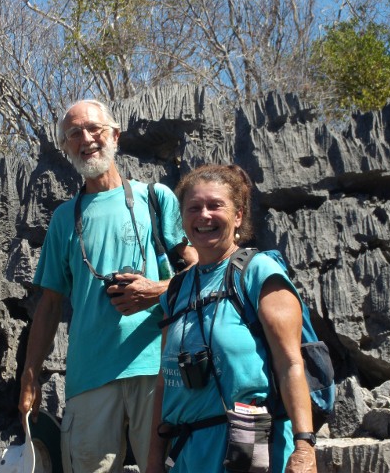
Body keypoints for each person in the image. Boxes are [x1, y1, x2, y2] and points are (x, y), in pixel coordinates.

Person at [18, 99, 197, 473]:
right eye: (74, 134)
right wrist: (30, 376)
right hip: (89, 378)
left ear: (115, 135)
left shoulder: (155, 198)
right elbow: (49, 307)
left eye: (94, 129)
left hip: (157, 370)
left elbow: (201, 270)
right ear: (66, 148)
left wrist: (157, 289)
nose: (86, 139)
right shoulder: (64, 219)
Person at [147, 164, 317, 473]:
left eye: (215, 205)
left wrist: (304, 446)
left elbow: (290, 363)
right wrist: (154, 461)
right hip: (187, 455)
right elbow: (164, 382)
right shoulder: (175, 291)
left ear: (238, 215)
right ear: (182, 220)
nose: (204, 215)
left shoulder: (259, 273)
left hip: (251, 444)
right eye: (194, 208)